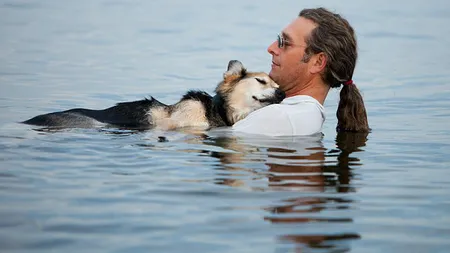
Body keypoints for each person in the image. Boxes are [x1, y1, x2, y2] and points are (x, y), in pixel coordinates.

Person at [232, 7, 370, 136]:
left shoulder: (280, 117)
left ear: (318, 62)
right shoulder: (304, 115)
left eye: (285, 43)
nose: (271, 48)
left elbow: (223, 147)